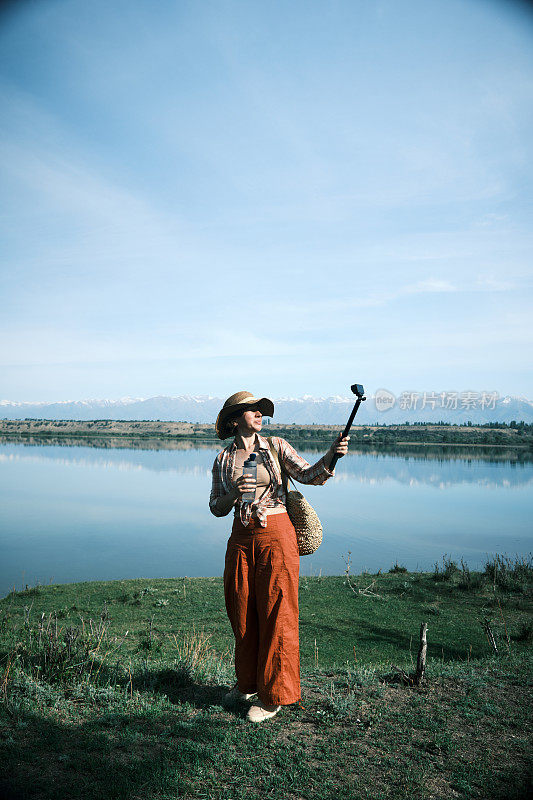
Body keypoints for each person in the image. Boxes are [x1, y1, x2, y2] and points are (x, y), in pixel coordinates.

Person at [209, 390, 349, 723]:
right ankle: (247, 683)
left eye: (261, 410)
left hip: (277, 534)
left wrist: (331, 454)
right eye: (251, 410)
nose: (259, 414)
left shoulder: (276, 446)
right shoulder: (223, 459)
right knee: (241, 610)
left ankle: (274, 696)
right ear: (234, 419)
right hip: (241, 538)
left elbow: (309, 475)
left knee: (277, 612)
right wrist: (233, 492)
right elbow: (216, 506)